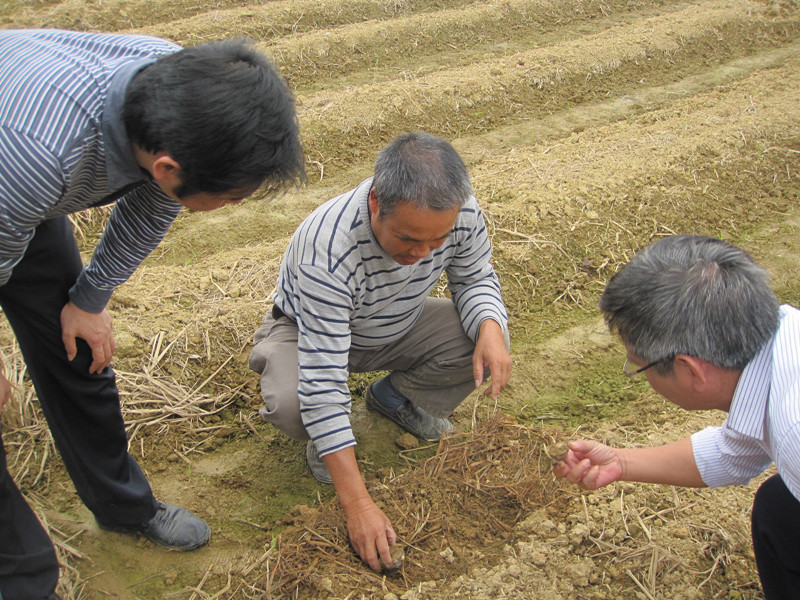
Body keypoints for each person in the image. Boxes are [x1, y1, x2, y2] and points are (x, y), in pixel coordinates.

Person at [0, 29, 304, 600]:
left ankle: (123, 507)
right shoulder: (41, 153)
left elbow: (151, 205)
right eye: (233, 197)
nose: (233, 206)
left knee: (80, 354)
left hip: (15, 194)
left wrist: (88, 300)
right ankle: (21, 578)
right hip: (13, 165)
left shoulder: (174, 93)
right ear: (168, 164)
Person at [249, 131, 512, 572]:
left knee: (481, 340)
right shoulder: (328, 250)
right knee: (297, 403)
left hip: (396, 323)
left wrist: (490, 326)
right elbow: (322, 380)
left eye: (436, 241)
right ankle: (324, 441)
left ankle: (396, 398)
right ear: (376, 203)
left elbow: (475, 277)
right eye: (409, 238)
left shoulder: (458, 212)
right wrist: (358, 505)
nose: (423, 252)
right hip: (308, 334)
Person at [553, 234, 800, 599]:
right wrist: (619, 461)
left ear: (690, 371)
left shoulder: (795, 430)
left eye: (638, 366)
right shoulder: (782, 341)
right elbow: (735, 451)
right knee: (779, 508)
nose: (640, 375)